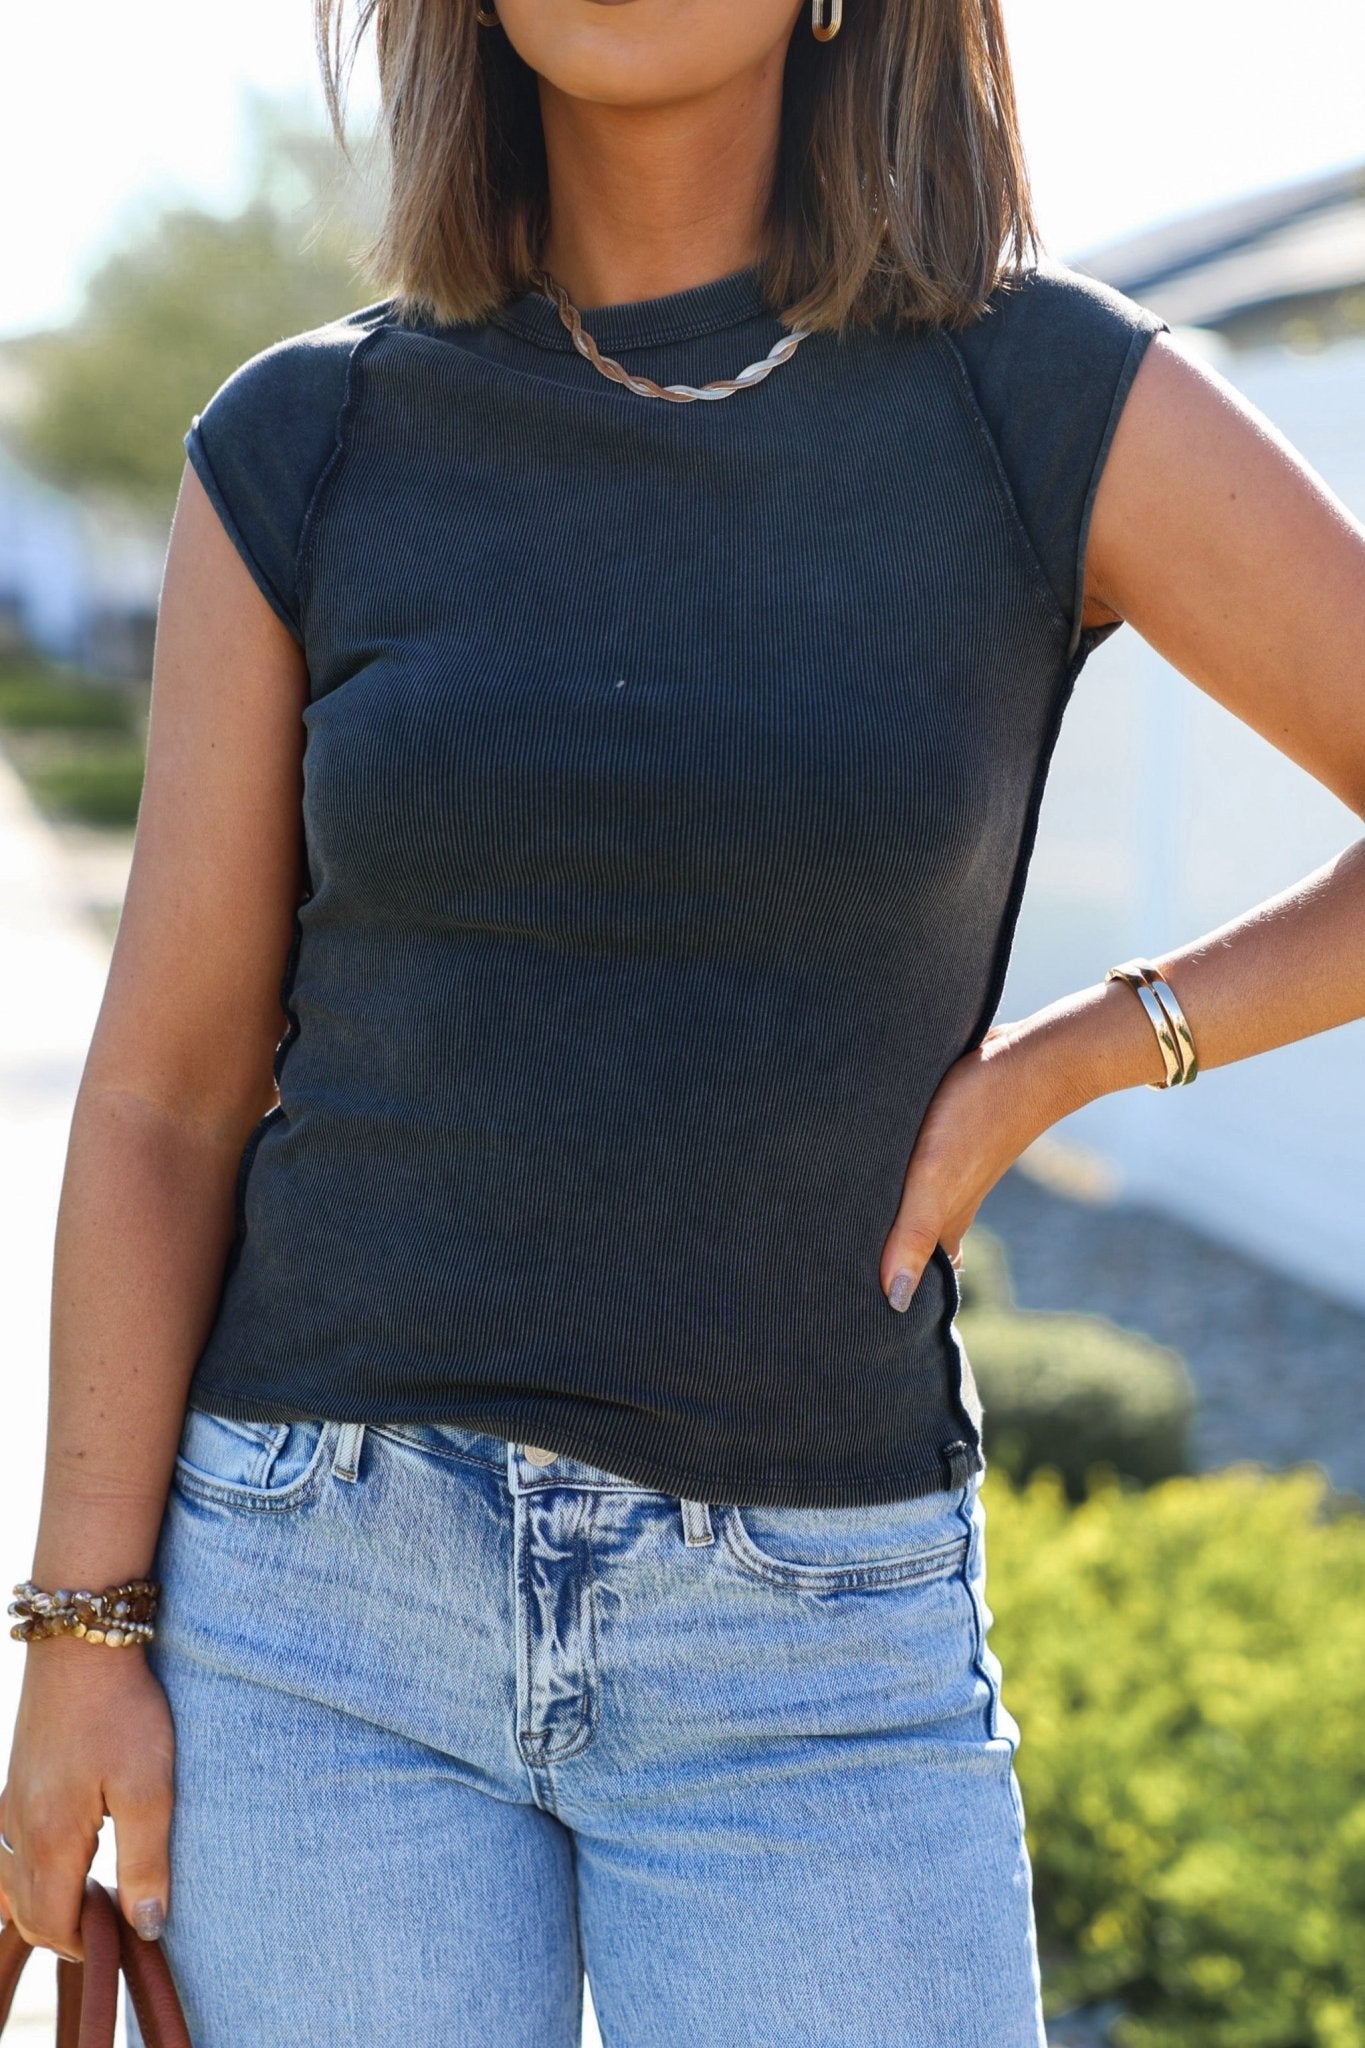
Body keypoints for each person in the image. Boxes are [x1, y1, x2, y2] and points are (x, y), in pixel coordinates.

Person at [3, 0, 1363, 2041]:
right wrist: (80, 1635)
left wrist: (1085, 1050)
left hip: (814, 1650)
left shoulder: (1039, 396)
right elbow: (167, 1099)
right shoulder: (309, 441)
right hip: (320, 1618)